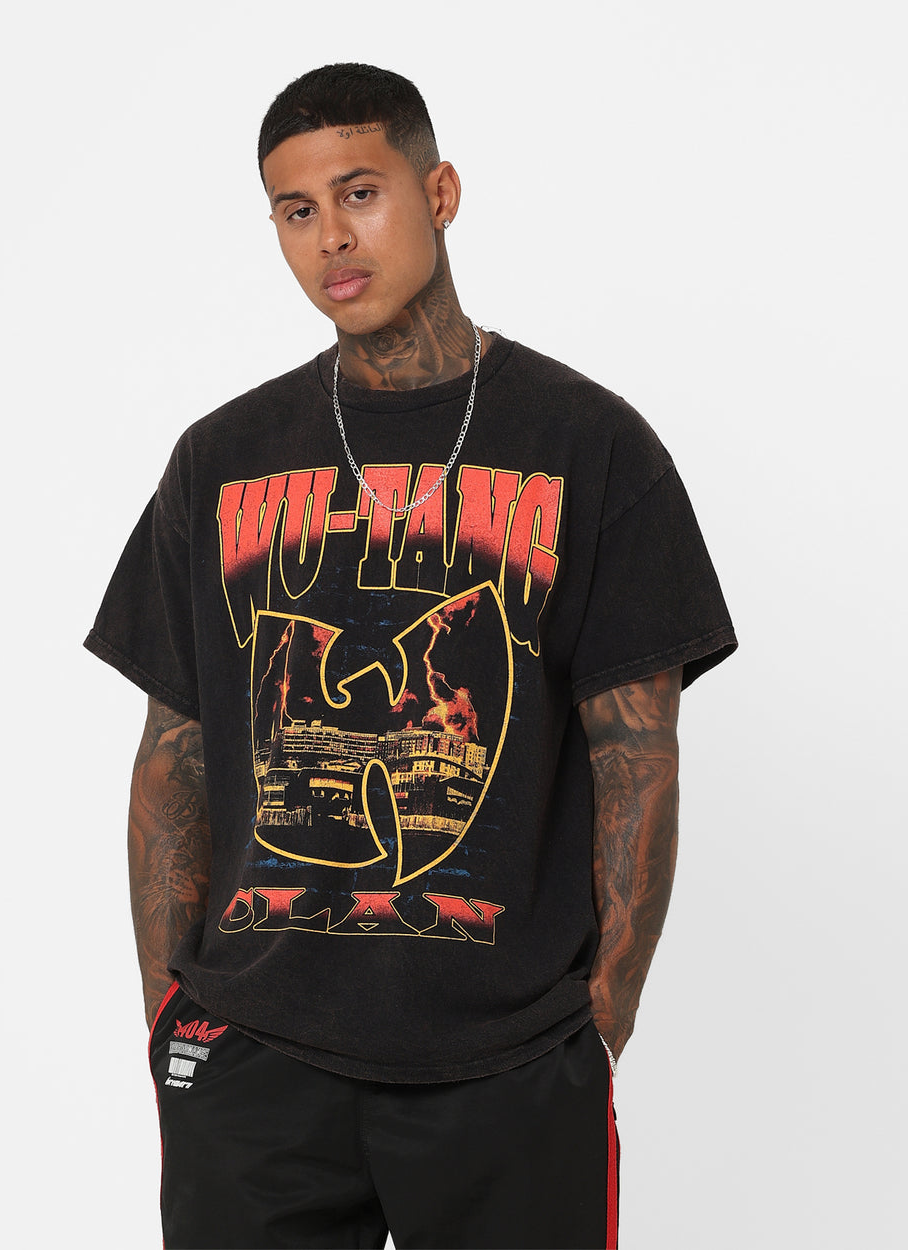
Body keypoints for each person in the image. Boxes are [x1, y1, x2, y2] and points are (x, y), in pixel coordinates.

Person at [85, 62, 737, 1250]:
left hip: (508, 1061)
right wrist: (172, 1013)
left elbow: (638, 757)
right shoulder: (220, 458)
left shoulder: (589, 445)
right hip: (253, 1058)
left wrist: (596, 1023)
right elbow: (172, 755)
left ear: (438, 193)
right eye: (296, 209)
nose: (332, 237)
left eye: (360, 192)